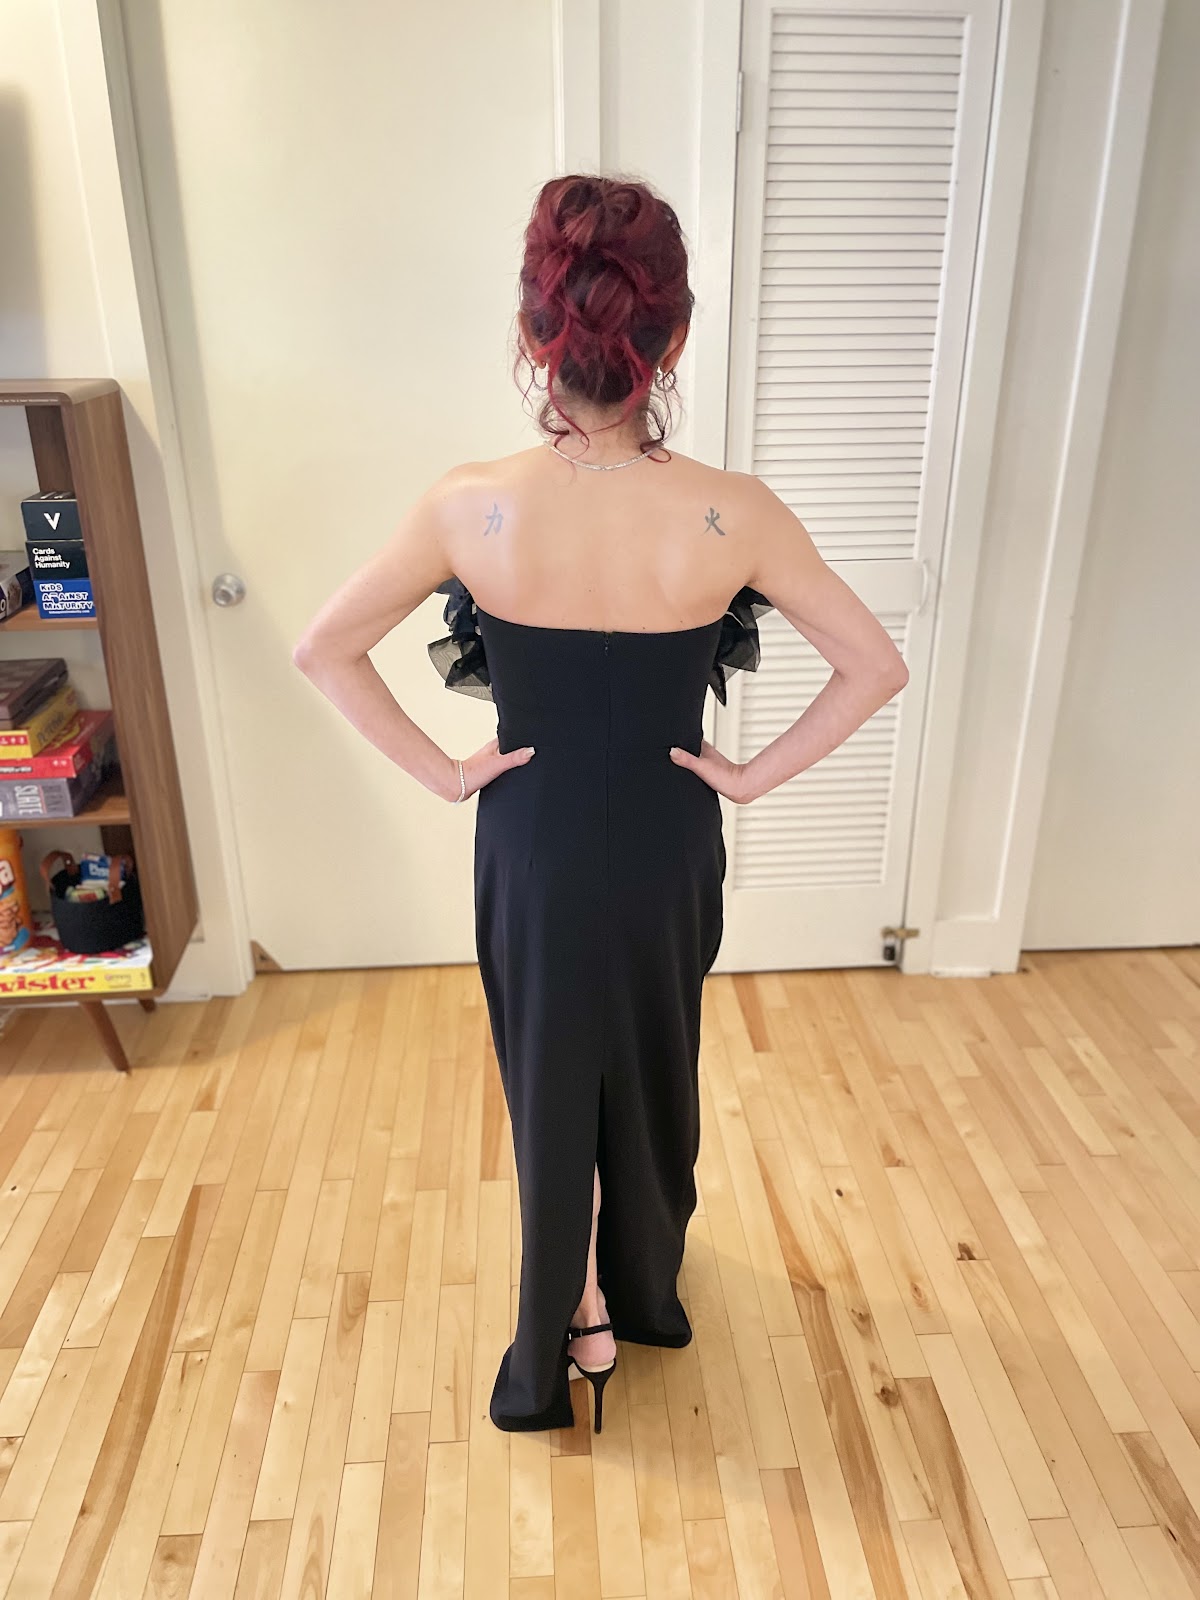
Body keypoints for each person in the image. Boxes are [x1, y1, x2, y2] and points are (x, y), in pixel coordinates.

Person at [292, 173, 909, 1434]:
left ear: (536, 338)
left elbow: (323, 648)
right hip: (670, 840)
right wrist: (745, 778)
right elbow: (875, 665)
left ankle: (570, 1314)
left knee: (549, 1073)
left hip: (533, 839)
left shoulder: (472, 504)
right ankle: (639, 1284)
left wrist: (449, 773)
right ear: (668, 343)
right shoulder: (733, 512)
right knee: (653, 1061)